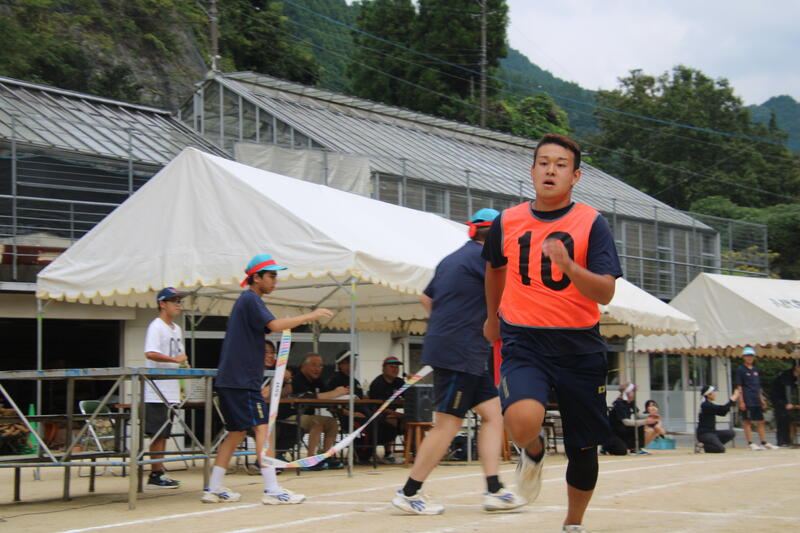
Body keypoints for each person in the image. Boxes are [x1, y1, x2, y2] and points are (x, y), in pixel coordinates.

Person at [482, 133, 623, 532]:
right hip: (524, 341)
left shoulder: (592, 223)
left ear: (575, 176)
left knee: (583, 447)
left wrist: (570, 266)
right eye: (543, 163)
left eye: (561, 165)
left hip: (579, 346)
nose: (550, 170)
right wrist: (492, 316)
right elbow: (494, 267)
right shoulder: (507, 221)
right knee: (521, 420)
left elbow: (605, 291)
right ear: (532, 171)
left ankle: (572, 523)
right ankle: (533, 450)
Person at [392, 208, 524, 515]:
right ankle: (409, 492)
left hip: (464, 349)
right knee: (447, 424)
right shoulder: (487, 260)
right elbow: (512, 297)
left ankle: (494, 489)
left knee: (493, 415)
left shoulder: (451, 259)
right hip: (460, 351)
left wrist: (445, 325)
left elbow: (426, 298)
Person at [202, 253, 333, 504]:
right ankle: (272, 489)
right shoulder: (250, 299)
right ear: (256, 277)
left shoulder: (249, 301)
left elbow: (270, 327)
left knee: (236, 433)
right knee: (263, 429)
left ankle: (214, 487)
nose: (275, 281)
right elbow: (275, 325)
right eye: (271, 276)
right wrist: (311, 315)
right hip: (241, 381)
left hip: (234, 380)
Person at [143, 287, 188, 489]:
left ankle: (159, 471)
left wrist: (181, 364)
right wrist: (174, 360)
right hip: (157, 389)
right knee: (157, 432)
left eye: (179, 301)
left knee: (165, 433)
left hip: (171, 387)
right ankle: (155, 473)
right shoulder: (156, 326)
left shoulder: (176, 328)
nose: (178, 305)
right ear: (162, 304)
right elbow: (150, 353)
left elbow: (180, 356)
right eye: (174, 301)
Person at [292, 352, 348, 470]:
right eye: (314, 365)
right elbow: (308, 398)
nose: (317, 369)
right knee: (317, 423)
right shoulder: (296, 379)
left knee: (332, 422)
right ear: (303, 366)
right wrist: (335, 393)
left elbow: (325, 396)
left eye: (320, 366)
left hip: (307, 417)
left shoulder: (317, 380)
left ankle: (325, 456)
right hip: (290, 416)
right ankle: (309, 460)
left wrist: (342, 394)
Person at [328, 350, 372, 463]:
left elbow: (361, 399)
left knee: (378, 422)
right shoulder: (335, 380)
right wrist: (351, 413)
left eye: (354, 361)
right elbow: (332, 405)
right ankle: (362, 454)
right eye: (349, 361)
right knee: (367, 425)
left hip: (361, 412)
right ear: (341, 364)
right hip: (347, 416)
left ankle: (370, 454)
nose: (353, 363)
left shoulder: (355, 381)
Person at [734, 346, 778, 450]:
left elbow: (758, 386)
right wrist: (741, 401)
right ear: (743, 357)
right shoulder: (740, 370)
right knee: (747, 420)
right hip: (747, 398)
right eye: (747, 356)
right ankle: (750, 443)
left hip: (756, 398)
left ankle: (763, 442)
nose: (749, 358)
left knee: (760, 420)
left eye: (751, 356)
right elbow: (739, 386)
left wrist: (762, 399)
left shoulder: (755, 370)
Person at [368, 356, 406, 463]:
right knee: (392, 418)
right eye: (392, 367)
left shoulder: (399, 382)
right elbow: (379, 407)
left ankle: (412, 451)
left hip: (392, 413)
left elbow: (411, 396)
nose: (395, 369)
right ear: (383, 368)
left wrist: (412, 383)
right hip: (376, 415)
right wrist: (399, 415)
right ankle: (388, 453)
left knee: (412, 419)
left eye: (397, 367)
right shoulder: (377, 383)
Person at [605, 383, 658, 455]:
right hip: (615, 433)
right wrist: (646, 421)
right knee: (621, 451)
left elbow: (638, 415)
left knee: (640, 426)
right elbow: (626, 422)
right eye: (632, 391)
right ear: (627, 392)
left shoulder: (630, 402)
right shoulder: (619, 404)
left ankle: (635, 449)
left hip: (624, 430)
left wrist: (651, 415)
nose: (634, 393)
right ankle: (605, 446)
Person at [697, 385, 740, 453]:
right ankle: (703, 446)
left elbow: (722, 413)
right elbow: (723, 409)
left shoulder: (708, 404)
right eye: (713, 392)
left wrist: (731, 401)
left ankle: (713, 444)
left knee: (731, 433)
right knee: (721, 449)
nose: (715, 394)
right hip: (704, 434)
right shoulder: (705, 405)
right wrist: (733, 398)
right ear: (708, 394)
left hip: (712, 432)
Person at [771, 361, 800, 447]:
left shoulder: (797, 377)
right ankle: (783, 441)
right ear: (796, 368)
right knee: (782, 418)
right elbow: (787, 392)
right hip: (780, 400)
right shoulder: (785, 376)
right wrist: (787, 403)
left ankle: (789, 440)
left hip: (791, 404)